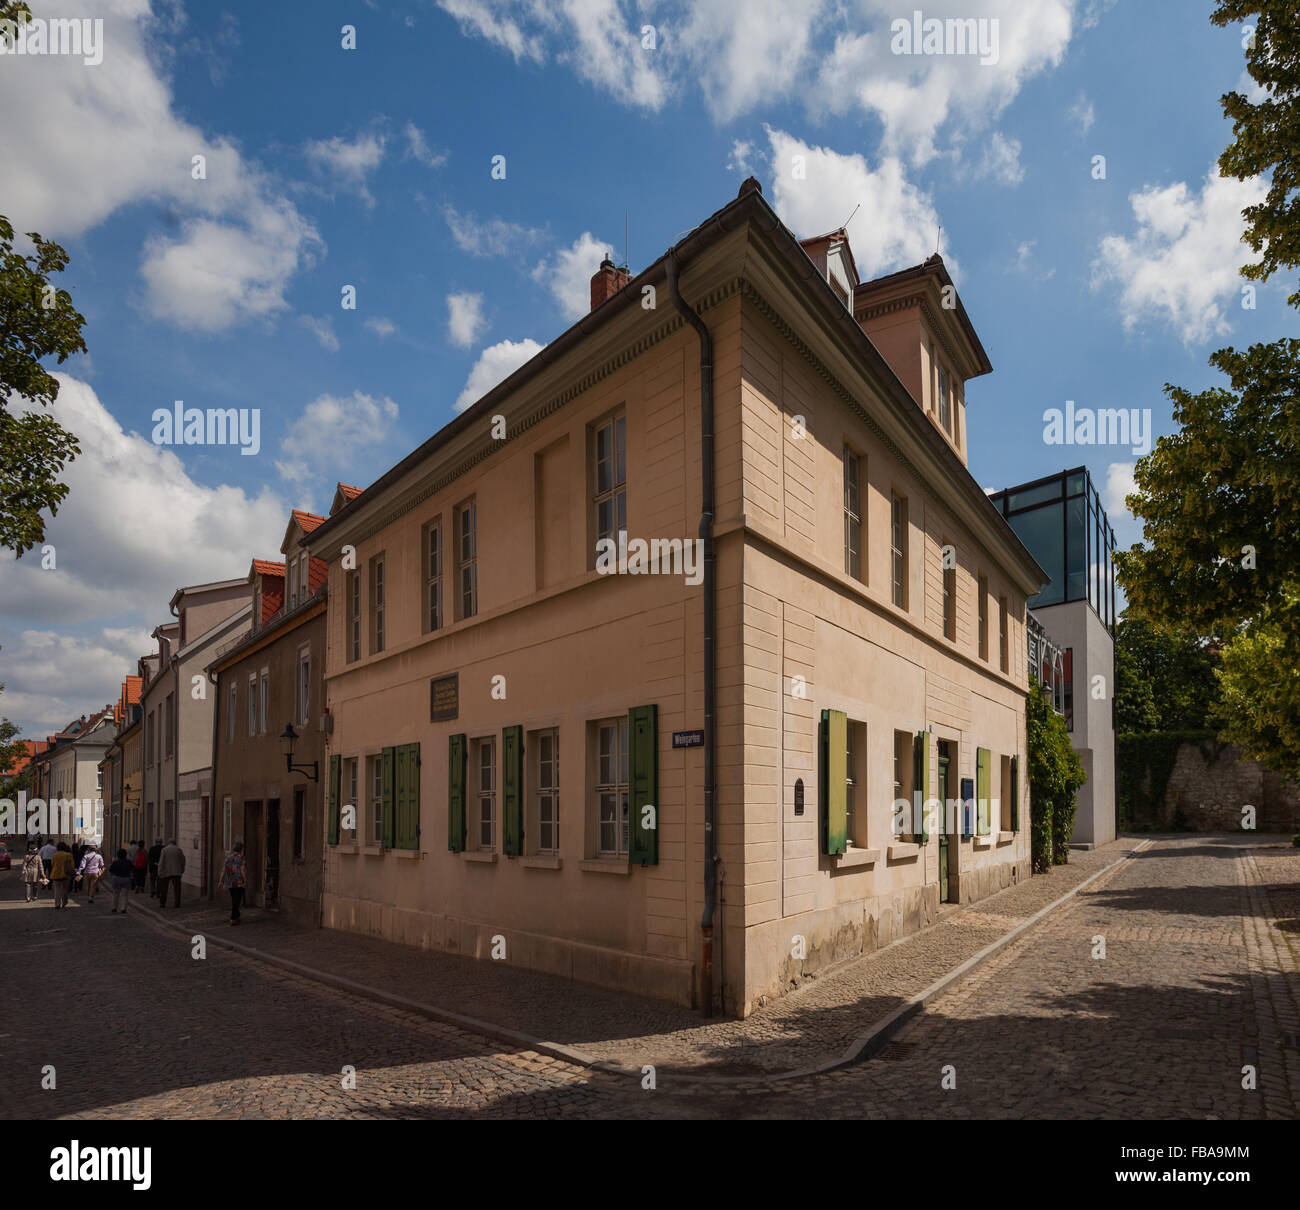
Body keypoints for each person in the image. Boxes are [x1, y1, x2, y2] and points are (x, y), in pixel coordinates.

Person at [220, 842, 247, 925]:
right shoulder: (241, 858)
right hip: (238, 882)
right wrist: (245, 880)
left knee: (234, 899)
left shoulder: (228, 858)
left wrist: (220, 881)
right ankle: (233, 918)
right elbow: (243, 870)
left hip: (230, 882)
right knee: (237, 900)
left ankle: (237, 916)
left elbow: (224, 870)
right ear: (241, 849)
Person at [156, 838, 186, 909]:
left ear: (168, 843)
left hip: (166, 872)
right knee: (177, 889)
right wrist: (181, 870)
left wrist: (159, 871)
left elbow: (161, 862)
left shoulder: (164, 850)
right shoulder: (178, 850)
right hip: (176, 872)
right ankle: (177, 903)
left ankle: (162, 903)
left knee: (164, 889)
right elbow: (183, 861)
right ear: (175, 843)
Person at [107, 848, 134, 914]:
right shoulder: (128, 862)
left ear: (118, 855)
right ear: (125, 855)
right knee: (124, 895)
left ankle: (114, 908)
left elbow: (110, 870)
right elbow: (132, 869)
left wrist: (113, 875)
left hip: (116, 879)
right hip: (125, 879)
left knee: (115, 894)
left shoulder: (115, 862)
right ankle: (123, 908)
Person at [48, 843, 73, 908]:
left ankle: (57, 904)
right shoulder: (68, 855)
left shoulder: (54, 855)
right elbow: (72, 865)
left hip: (55, 874)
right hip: (66, 874)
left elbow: (52, 864)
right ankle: (64, 902)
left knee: (57, 890)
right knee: (65, 889)